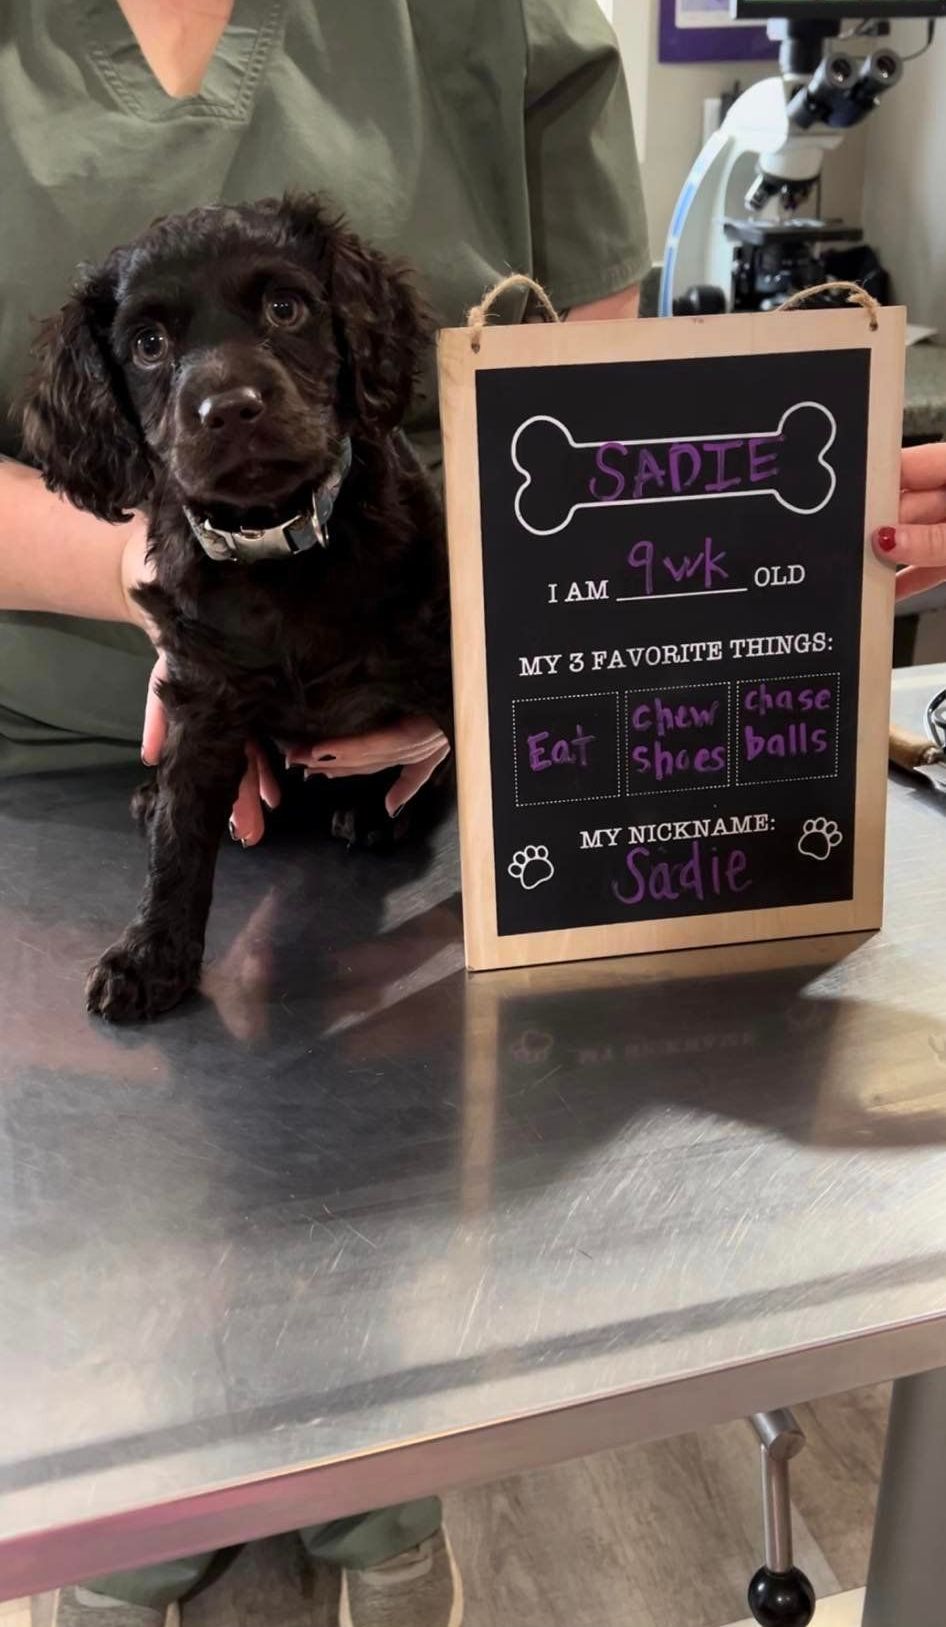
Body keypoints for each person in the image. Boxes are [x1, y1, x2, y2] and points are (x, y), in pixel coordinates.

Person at [0, 4, 650, 1627]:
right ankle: (122, 1551)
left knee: (391, 1262)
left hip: (434, 761)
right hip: (55, 783)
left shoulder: (493, 21)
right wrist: (171, 593)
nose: (220, 379)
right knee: (111, 1316)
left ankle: (383, 1523)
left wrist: (529, 631)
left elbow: (588, 385)